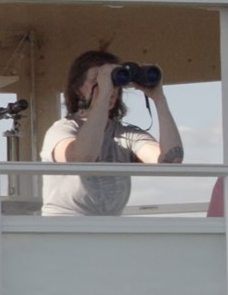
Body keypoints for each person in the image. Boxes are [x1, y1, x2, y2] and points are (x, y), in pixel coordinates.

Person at [40, 50, 183, 216]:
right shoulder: (62, 129)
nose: (109, 88)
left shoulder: (126, 134)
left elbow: (171, 160)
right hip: (63, 227)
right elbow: (81, 158)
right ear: (78, 90)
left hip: (109, 227)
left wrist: (159, 98)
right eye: (97, 81)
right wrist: (104, 93)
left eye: (112, 82)